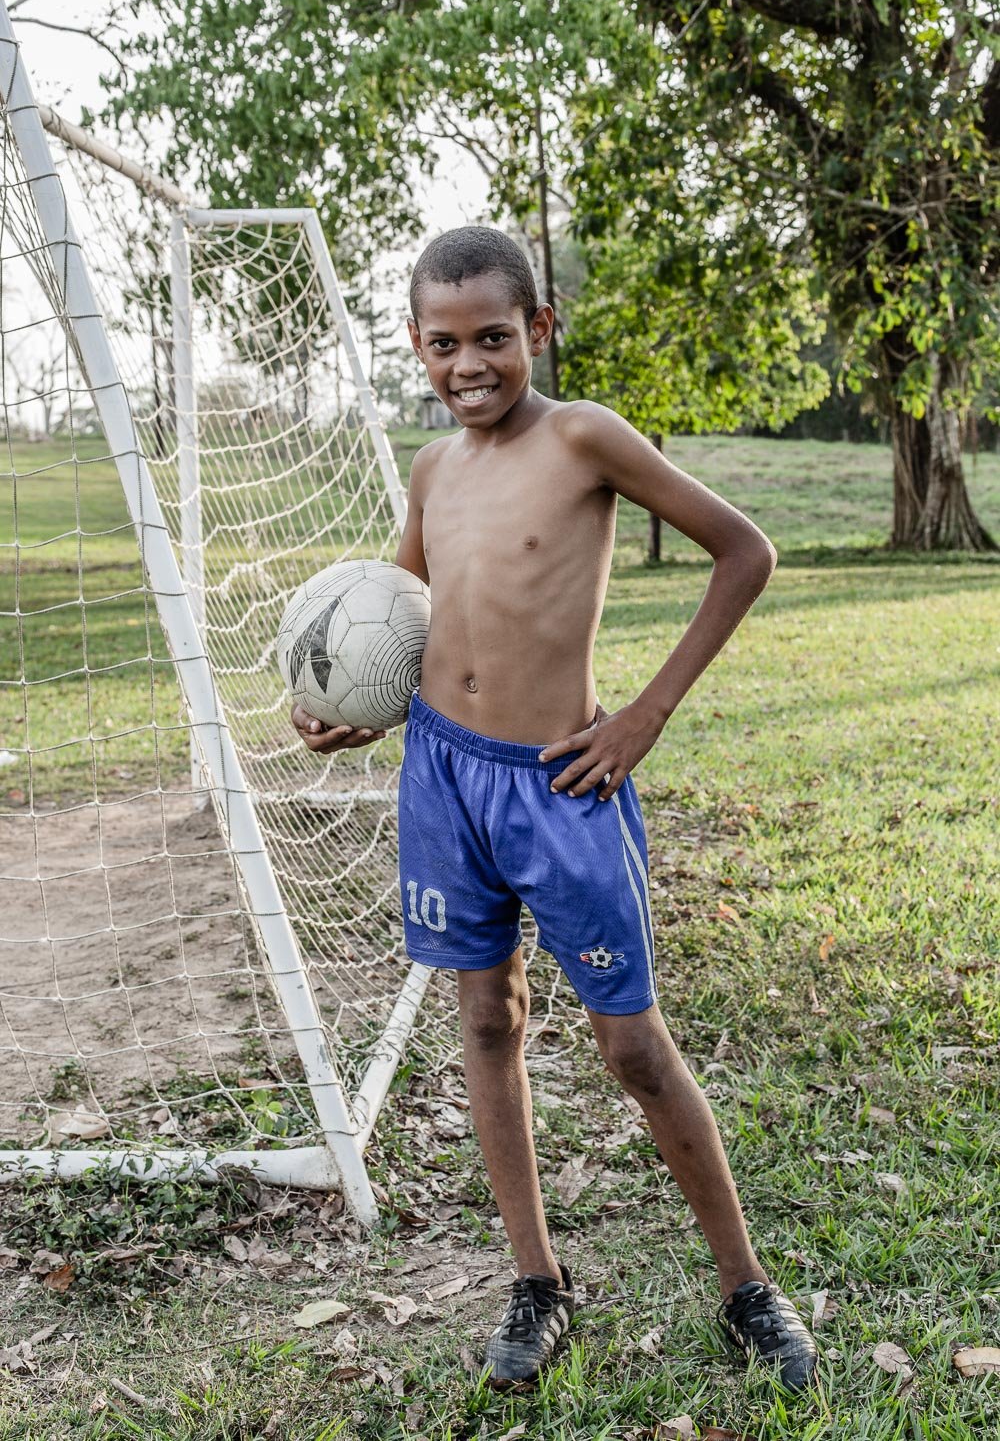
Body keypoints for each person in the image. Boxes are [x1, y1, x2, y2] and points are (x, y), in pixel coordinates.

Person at [291, 226, 818, 1393]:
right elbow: (405, 619)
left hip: (561, 784)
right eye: (442, 343)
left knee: (629, 1044)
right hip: (442, 776)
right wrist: (357, 713)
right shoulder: (432, 471)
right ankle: (537, 1281)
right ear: (416, 346)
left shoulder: (583, 437)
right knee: (485, 1024)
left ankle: (746, 1288)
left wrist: (642, 715)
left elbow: (745, 552)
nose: (467, 363)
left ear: (537, 330)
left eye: (491, 337)